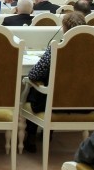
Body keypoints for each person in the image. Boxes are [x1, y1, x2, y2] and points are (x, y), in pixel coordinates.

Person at [23, 12, 86, 152]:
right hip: (83, 104)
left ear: (64, 28)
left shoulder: (58, 48)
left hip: (54, 104)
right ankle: (48, 133)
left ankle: (31, 136)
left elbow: (34, 74)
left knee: (36, 87)